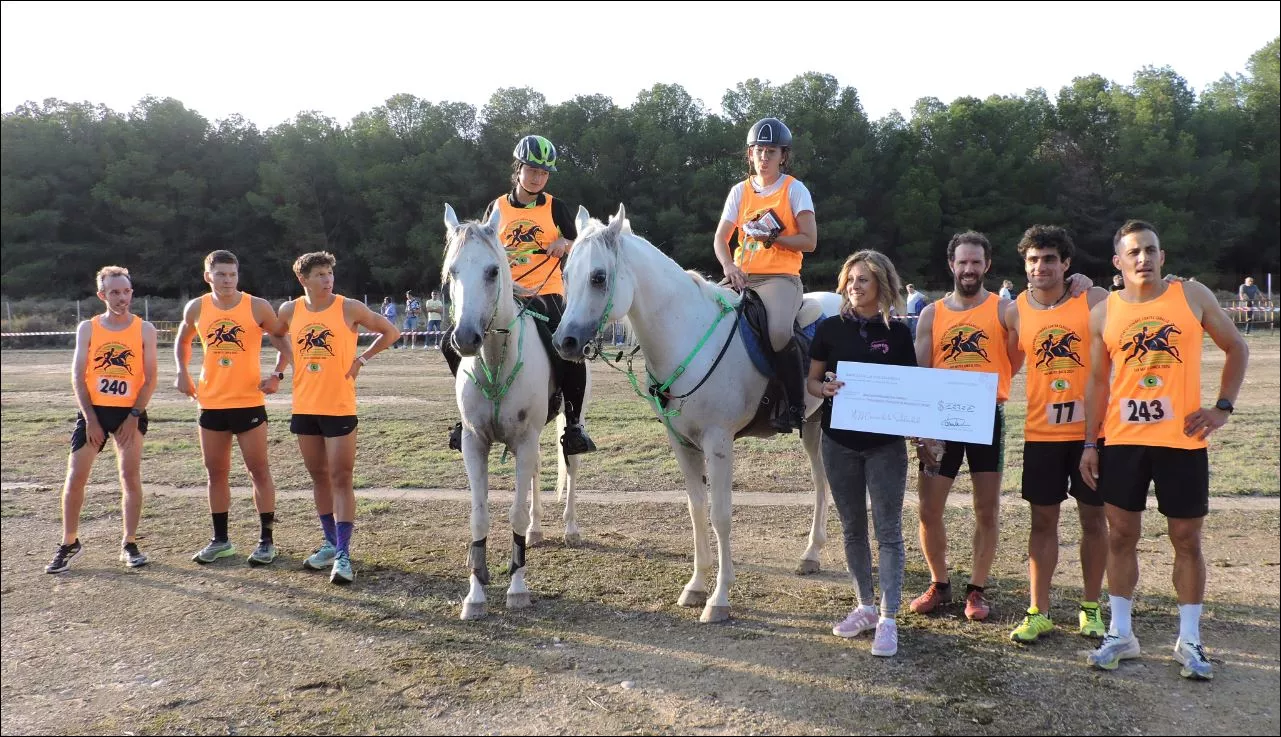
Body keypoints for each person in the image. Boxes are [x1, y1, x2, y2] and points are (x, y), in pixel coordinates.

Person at [1081, 220, 1248, 680]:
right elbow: (1096, 383)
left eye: (1150, 250)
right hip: (1124, 442)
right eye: (1133, 252)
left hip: (1182, 442)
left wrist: (1222, 408)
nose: (1143, 258)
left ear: (1162, 256)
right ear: (1118, 261)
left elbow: (1236, 347)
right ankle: (1121, 633)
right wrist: (1090, 442)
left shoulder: (1191, 296)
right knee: (1119, 536)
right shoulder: (1103, 313)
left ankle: (1190, 639)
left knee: (1186, 539)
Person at [441, 133, 596, 455]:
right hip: (504, 294)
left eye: (543, 173)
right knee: (449, 342)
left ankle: (574, 424)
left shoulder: (556, 208)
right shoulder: (496, 207)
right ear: (519, 170)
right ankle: (466, 414)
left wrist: (565, 244)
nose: (537, 178)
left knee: (567, 349)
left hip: (546, 292)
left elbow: (581, 245)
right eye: (532, 171)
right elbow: (480, 245)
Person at [1003, 226, 1110, 644]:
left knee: (1093, 520)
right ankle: (1039, 611)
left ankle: (1090, 607)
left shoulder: (1094, 299)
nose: (1040, 266)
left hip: (1092, 432)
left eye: (1049, 259)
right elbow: (1005, 365)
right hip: (1041, 434)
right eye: (1032, 260)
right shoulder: (1014, 311)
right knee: (1042, 521)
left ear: (1067, 264)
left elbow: (1138, 304)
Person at [808, 251, 916, 658]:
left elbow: (909, 390)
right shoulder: (829, 328)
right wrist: (825, 390)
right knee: (853, 529)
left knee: (888, 532)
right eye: (850, 279)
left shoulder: (900, 334)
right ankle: (865, 607)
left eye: (864, 280)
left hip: (885, 447)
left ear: (881, 286)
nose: (854, 286)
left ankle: (888, 618)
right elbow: (814, 381)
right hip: (838, 444)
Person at [909, 232, 1021, 621]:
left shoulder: (1006, 310)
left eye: (976, 262)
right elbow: (922, 374)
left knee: (986, 509)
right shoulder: (931, 314)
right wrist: (922, 429)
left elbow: (1016, 358)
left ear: (987, 265)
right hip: (941, 419)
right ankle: (939, 584)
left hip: (986, 416)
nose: (969, 269)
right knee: (928, 509)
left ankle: (977, 589)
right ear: (951, 264)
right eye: (963, 262)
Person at [278, 252, 400, 584]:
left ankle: (344, 554)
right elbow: (276, 333)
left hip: (339, 407)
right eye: (319, 274)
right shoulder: (290, 310)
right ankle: (330, 543)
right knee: (319, 477)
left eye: (330, 272)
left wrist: (362, 358)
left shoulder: (349, 307)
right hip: (304, 406)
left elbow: (390, 331)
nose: (327, 279)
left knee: (340, 477)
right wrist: (282, 367)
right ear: (303, 280)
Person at [174, 250, 291, 567]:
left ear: (238, 276)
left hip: (249, 403)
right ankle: (220, 540)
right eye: (221, 274)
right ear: (208, 276)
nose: (227, 280)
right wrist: (182, 373)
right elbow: (183, 340)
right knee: (216, 473)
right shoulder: (197, 307)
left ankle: (266, 541)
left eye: (232, 274)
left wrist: (277, 375)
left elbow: (284, 341)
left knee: (259, 471)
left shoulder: (256, 306)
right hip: (210, 402)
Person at [45, 266, 159, 573]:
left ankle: (129, 543)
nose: (122, 298)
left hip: (129, 414)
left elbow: (150, 379)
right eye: (114, 292)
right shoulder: (89, 328)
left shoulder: (145, 329)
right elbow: (78, 376)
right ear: (102, 295)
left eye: (126, 291)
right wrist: (91, 419)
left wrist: (134, 415)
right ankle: (69, 543)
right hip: (93, 412)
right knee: (75, 478)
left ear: (131, 292)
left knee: (130, 477)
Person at [713, 117, 818, 432]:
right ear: (750, 154)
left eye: (771, 151)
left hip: (780, 278)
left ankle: (794, 406)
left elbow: (810, 241)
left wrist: (774, 239)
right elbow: (721, 239)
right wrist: (729, 267)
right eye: (759, 150)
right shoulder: (739, 191)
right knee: (706, 316)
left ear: (783, 155)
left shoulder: (794, 189)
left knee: (778, 333)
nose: (764, 157)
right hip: (741, 276)